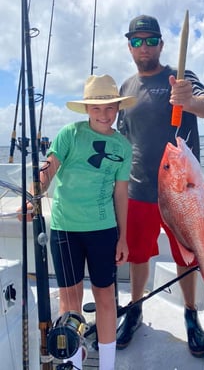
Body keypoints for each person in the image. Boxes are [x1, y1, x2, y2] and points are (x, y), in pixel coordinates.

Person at [116, 15, 204, 358]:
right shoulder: (125, 88)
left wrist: (188, 101)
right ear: (129, 46)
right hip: (139, 190)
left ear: (160, 43)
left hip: (179, 190)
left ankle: (190, 313)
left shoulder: (181, 76)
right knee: (139, 254)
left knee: (185, 254)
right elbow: (122, 138)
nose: (143, 47)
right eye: (136, 40)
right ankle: (136, 307)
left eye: (149, 40)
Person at [23, 75, 136, 370]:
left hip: (103, 230)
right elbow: (48, 169)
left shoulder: (123, 146)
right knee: (70, 300)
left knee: (106, 298)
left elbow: (121, 193)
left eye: (110, 107)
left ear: (117, 109)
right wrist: (34, 195)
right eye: (96, 108)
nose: (103, 114)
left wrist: (123, 237)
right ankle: (73, 361)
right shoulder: (69, 134)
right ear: (86, 110)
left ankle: (107, 364)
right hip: (65, 230)